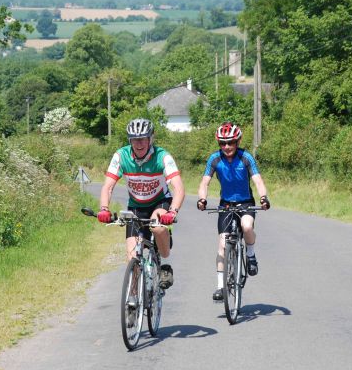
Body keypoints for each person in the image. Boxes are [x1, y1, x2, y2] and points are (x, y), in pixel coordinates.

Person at [98, 118, 184, 289]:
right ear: (130, 140)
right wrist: (104, 209)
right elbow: (108, 186)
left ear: (151, 138)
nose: (139, 143)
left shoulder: (162, 156)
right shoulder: (121, 156)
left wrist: (172, 212)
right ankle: (133, 299)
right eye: (135, 139)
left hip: (160, 202)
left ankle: (165, 264)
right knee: (132, 257)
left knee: (157, 227)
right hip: (136, 207)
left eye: (143, 138)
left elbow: (178, 187)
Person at [197, 121, 270, 301]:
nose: (227, 147)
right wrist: (202, 199)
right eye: (222, 143)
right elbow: (205, 182)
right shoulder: (214, 159)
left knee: (246, 226)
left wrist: (263, 197)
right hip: (226, 204)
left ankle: (251, 255)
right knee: (222, 244)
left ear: (237, 141)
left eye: (230, 142)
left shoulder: (246, 157)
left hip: (245, 202)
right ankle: (221, 287)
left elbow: (258, 180)